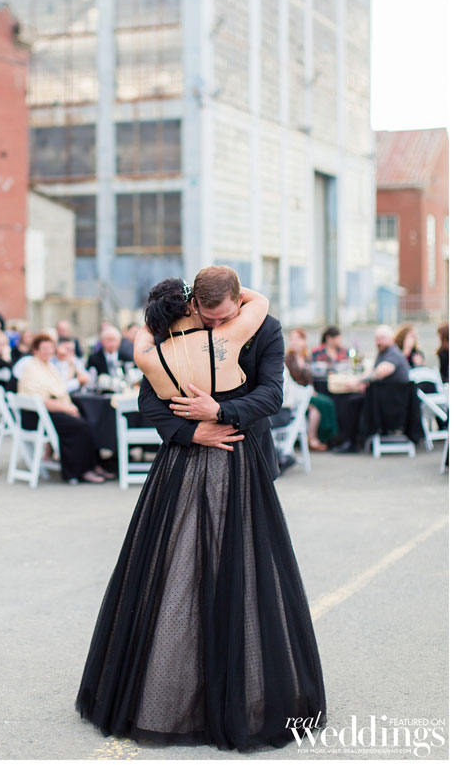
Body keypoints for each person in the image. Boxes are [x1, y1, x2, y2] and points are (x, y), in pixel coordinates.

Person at [76, 269, 327, 752]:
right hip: (186, 457)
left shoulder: (266, 328)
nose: (217, 325)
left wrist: (221, 413)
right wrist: (193, 431)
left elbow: (272, 395)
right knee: (177, 571)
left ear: (237, 301)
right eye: (209, 318)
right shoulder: (175, 328)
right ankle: (178, 686)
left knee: (245, 573)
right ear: (194, 305)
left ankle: (242, 689)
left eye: (225, 317)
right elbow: (149, 398)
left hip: (243, 456)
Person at [17, 334, 109, 484]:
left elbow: (59, 388)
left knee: (88, 418)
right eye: (44, 348)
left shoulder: (48, 366)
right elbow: (42, 401)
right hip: (37, 417)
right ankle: (80, 471)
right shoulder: (32, 369)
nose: (48, 351)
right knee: (79, 426)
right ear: (35, 350)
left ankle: (94, 465)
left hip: (47, 412)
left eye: (50, 348)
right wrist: (67, 408)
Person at [285, 328, 339, 450]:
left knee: (327, 402)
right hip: (294, 394)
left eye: (297, 339)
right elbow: (289, 382)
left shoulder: (307, 358)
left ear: (304, 341)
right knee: (318, 406)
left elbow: (310, 379)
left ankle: (327, 436)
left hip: (307, 392)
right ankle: (314, 438)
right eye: (292, 339)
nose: (294, 342)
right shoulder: (287, 359)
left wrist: (311, 389)